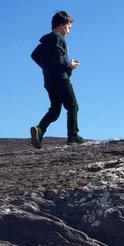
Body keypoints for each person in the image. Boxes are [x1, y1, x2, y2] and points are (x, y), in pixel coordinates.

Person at [29, 11, 86, 147]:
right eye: (69, 28)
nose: (69, 32)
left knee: (55, 110)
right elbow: (61, 61)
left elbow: (34, 55)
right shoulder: (58, 38)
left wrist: (46, 68)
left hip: (49, 80)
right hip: (61, 79)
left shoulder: (44, 42)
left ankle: (40, 129)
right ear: (61, 26)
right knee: (73, 106)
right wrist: (70, 65)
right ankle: (73, 137)